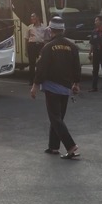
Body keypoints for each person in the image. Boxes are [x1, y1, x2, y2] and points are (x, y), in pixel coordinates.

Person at [30, 16, 81, 159]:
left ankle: (70, 145)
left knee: (55, 118)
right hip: (66, 87)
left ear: (51, 30)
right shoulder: (72, 46)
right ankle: (53, 147)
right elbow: (77, 67)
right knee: (58, 118)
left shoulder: (48, 47)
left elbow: (41, 69)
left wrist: (35, 85)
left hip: (52, 86)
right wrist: (76, 83)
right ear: (63, 30)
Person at [25, 13, 48, 86]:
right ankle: (31, 80)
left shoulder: (44, 28)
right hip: (32, 46)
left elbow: (46, 39)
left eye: (33, 18)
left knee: (41, 64)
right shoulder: (29, 27)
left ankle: (40, 79)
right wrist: (26, 50)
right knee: (32, 64)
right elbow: (26, 39)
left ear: (38, 18)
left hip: (40, 46)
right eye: (31, 18)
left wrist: (44, 48)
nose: (32, 19)